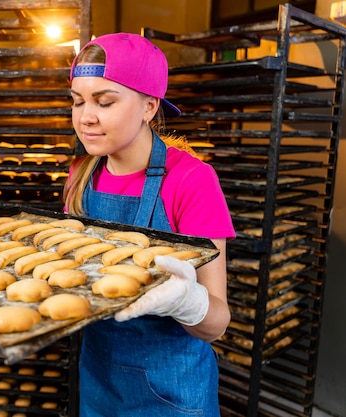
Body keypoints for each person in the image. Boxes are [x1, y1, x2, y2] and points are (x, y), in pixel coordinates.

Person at [64, 32, 236, 416]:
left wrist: (186, 302)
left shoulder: (191, 180)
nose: (85, 117)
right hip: (98, 378)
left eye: (104, 101)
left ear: (148, 106)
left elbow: (217, 323)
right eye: (77, 102)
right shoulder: (81, 174)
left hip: (170, 391)